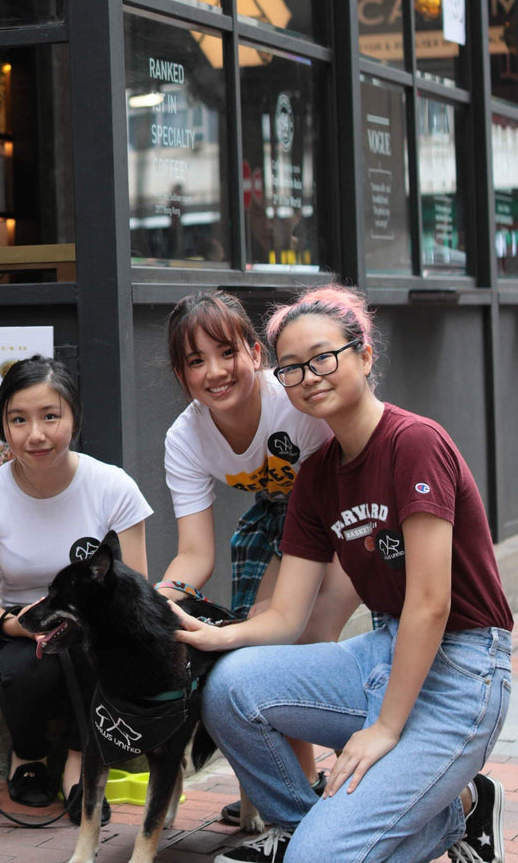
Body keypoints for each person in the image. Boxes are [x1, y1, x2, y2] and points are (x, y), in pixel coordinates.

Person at [172, 285, 512, 863]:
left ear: (364, 355)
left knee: (320, 859)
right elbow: (285, 615)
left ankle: (449, 817)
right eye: (294, 368)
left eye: (323, 357)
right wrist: (217, 637)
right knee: (230, 686)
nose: (310, 376)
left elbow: (431, 603)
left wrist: (383, 728)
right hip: (382, 651)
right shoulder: (317, 475)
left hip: (463, 671)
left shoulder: (415, 443)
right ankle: (307, 829)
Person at [157, 289, 363, 820]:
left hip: (344, 515)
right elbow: (195, 553)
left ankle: (373, 784)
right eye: (196, 361)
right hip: (276, 520)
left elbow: (336, 490)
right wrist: (159, 599)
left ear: (255, 353)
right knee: (267, 654)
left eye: (227, 352)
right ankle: (303, 788)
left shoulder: (296, 399)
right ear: (181, 376)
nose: (216, 372)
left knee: (305, 646)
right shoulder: (185, 438)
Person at [0, 355, 152, 823]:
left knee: (96, 654)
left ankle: (79, 762)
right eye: (18, 420)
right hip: (21, 630)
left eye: (51, 416)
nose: (36, 434)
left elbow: (137, 593)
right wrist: (23, 627)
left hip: (98, 628)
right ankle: (26, 758)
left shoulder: (112, 487)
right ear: (2, 426)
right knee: (28, 671)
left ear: (74, 418)